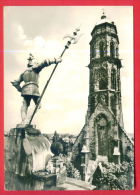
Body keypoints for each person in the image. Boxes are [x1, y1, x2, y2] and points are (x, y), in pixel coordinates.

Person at [11, 53, 62, 124]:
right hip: (34, 89)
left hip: (25, 89)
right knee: (38, 105)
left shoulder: (24, 72)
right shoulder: (35, 68)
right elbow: (45, 62)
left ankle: (24, 120)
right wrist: (55, 60)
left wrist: (20, 89)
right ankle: (27, 119)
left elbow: (15, 82)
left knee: (25, 104)